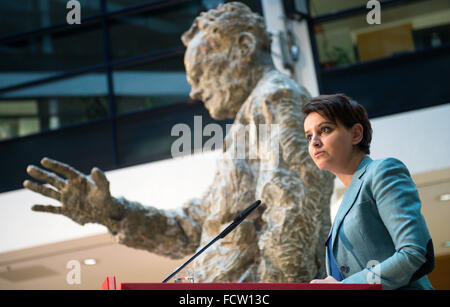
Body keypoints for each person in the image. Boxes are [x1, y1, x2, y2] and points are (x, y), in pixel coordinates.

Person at [23, 2, 335, 282]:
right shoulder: (248, 122)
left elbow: (292, 218)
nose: (194, 92)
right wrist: (111, 211)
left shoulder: (276, 97)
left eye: (199, 74)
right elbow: (189, 227)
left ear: (244, 46)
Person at [303, 93, 434, 289]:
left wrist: (345, 286)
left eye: (325, 130)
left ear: (356, 134)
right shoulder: (342, 204)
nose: (314, 142)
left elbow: (414, 253)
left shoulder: (382, 171)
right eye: (308, 136)